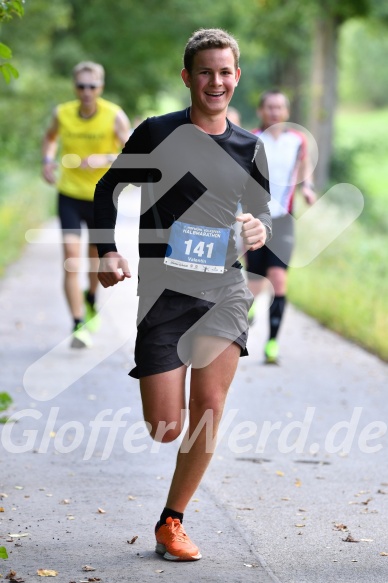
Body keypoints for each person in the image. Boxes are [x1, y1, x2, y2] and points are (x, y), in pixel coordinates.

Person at [94, 29, 271, 561]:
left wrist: (259, 229)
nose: (215, 81)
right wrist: (108, 250)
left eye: (225, 72)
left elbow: (260, 212)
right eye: (205, 72)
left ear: (236, 77)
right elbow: (109, 189)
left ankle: (173, 520)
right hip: (164, 296)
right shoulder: (156, 134)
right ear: (188, 77)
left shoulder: (249, 146)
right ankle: (172, 495)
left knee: (209, 408)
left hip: (224, 290)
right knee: (166, 427)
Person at [42, 61, 131, 348]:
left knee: (95, 260)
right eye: (81, 86)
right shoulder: (63, 113)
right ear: (74, 87)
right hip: (69, 193)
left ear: (101, 87)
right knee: (70, 258)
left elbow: (133, 155)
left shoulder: (114, 115)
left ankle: (91, 299)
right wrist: (47, 160)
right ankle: (78, 323)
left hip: (100, 197)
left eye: (92, 86)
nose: (86, 91)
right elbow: (50, 137)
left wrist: (104, 159)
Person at [246, 90, 316, 364]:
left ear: (286, 112)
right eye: (269, 107)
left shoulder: (296, 140)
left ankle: (272, 342)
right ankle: (248, 314)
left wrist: (307, 187)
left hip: (284, 219)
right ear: (261, 111)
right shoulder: (251, 139)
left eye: (279, 107)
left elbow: (303, 165)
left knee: (278, 279)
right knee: (255, 282)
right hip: (255, 219)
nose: (274, 112)